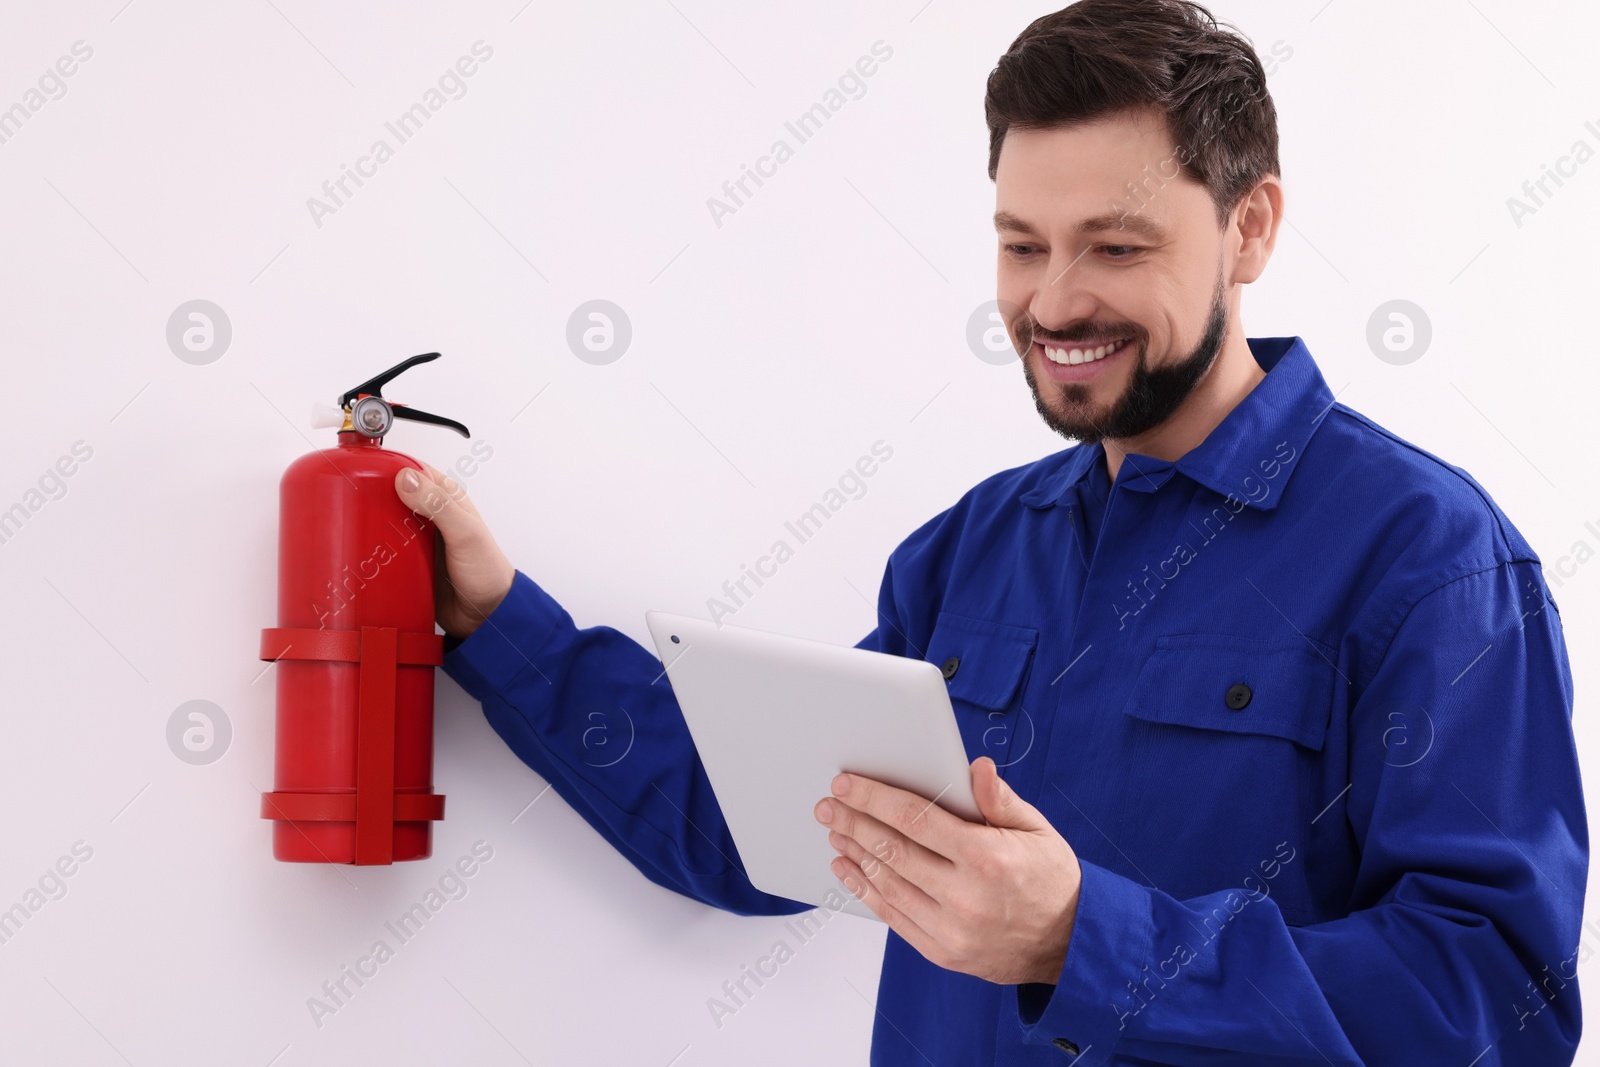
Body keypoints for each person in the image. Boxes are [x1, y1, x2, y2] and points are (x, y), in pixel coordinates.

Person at [393, 1, 1588, 1062]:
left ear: (1250, 228)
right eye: (1022, 244)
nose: (1055, 301)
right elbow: (762, 827)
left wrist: (1084, 937)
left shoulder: (1430, 558)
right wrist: (501, 619)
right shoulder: (970, 549)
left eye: (1116, 246)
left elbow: (1495, 1002)